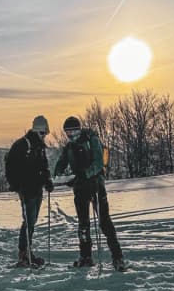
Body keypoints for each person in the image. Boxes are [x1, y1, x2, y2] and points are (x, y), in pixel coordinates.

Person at [53, 115, 125, 270]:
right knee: (83, 224)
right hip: (80, 188)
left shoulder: (92, 140)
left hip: (96, 185)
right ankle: (85, 256)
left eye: (73, 131)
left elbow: (98, 163)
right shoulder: (70, 146)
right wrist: (59, 174)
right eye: (68, 132)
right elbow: (61, 162)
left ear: (79, 129)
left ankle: (117, 257)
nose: (70, 135)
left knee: (105, 222)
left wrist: (84, 175)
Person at [3, 115, 54, 267]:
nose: (44, 136)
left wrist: (47, 181)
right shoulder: (22, 145)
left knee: (31, 221)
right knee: (28, 221)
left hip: (37, 188)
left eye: (45, 133)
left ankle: (27, 251)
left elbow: (43, 167)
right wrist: (17, 185)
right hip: (27, 189)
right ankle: (23, 254)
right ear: (36, 131)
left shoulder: (39, 146)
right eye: (42, 133)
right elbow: (10, 167)